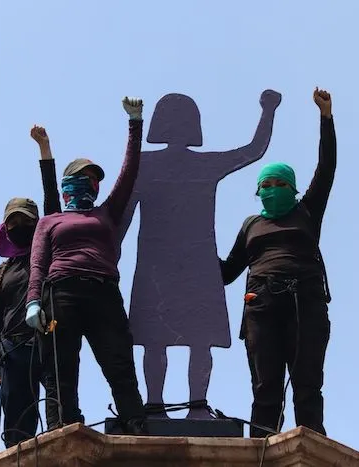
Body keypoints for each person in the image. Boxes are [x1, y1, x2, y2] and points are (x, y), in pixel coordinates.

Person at [114, 90, 281, 419]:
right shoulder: (161, 165)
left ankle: (172, 406)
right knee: (175, 339)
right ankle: (176, 406)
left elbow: (122, 219)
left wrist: (110, 257)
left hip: (179, 263)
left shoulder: (147, 164)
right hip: (176, 263)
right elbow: (253, 150)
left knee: (172, 339)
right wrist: (268, 110)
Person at [25, 97, 148, 435]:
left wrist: (135, 122)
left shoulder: (106, 212)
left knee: (119, 364)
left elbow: (129, 172)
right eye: (86, 177)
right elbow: (37, 264)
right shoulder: (50, 220)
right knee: (60, 368)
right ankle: (63, 428)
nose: (92, 184)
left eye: (95, 179)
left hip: (103, 292)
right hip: (61, 293)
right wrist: (33, 300)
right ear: (69, 185)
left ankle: (135, 424)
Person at [218, 87, 336, 438]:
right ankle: (261, 449)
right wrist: (195, 247)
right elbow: (226, 273)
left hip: (306, 302)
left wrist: (325, 117)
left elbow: (327, 166)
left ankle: (311, 444)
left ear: (293, 187)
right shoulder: (252, 225)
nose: (272, 188)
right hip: (261, 305)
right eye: (265, 184)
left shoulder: (306, 212)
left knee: (307, 385)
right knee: (265, 388)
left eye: (280, 183)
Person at [0, 125, 70, 448]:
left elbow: (51, 200)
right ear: (5, 228)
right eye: (13, 223)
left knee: (59, 413)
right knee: (17, 426)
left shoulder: (48, 252)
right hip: (12, 350)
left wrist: (44, 149)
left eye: (26, 221)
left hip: (48, 339)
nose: (19, 227)